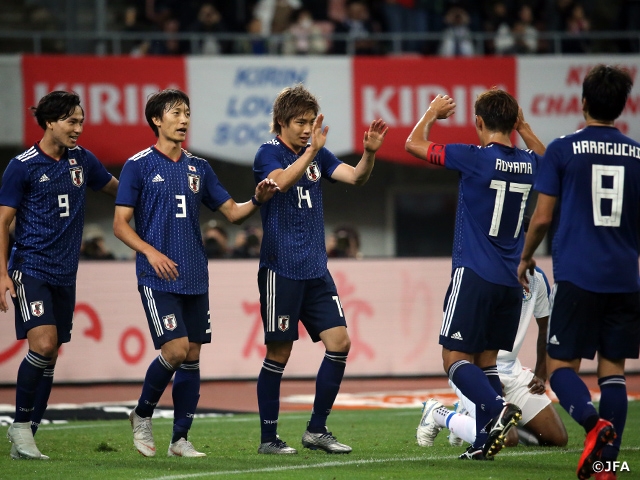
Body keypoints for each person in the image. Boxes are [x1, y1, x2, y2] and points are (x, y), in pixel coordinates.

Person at [113, 89, 278, 458]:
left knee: (192, 356)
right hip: (158, 276)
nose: (184, 119)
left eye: (187, 112)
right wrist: (150, 252)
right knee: (174, 350)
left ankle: (179, 439)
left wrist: (258, 200)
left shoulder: (199, 168)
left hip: (194, 275)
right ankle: (141, 413)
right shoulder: (137, 165)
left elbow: (233, 213)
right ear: (157, 119)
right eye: (176, 112)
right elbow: (120, 225)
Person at [405, 89, 546, 460]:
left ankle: (497, 411)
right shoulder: (531, 163)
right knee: (486, 362)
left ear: (479, 122)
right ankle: (484, 443)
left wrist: (432, 113)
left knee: (454, 360)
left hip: (474, 274)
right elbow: (556, 167)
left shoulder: (472, 157)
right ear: (514, 123)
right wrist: (526, 130)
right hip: (510, 284)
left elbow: (413, 144)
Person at [518, 64, 640, 480]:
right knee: (614, 372)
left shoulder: (563, 149)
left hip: (579, 276)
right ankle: (608, 465)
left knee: (561, 368)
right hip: (625, 278)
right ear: (622, 107)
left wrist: (525, 256)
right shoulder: (638, 155)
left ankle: (594, 426)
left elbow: (542, 217)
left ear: (583, 101)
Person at [253, 84, 387, 454]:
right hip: (281, 269)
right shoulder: (267, 153)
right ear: (281, 121)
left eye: (311, 122)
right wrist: (311, 151)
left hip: (315, 269)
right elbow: (278, 182)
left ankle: (316, 429)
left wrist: (369, 155)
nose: (306, 128)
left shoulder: (318, 153)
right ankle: (268, 439)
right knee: (279, 354)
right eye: (300, 122)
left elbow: (356, 177)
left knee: (340, 343)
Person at [0, 91, 118, 460]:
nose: (78, 129)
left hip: (66, 274)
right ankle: (19, 428)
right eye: (71, 121)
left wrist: (150, 186)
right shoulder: (22, 166)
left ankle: (28, 435)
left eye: (81, 121)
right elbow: (2, 222)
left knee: (51, 356)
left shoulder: (83, 161)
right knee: (44, 345)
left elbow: (116, 188)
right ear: (50, 122)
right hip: (29, 267)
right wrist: (2, 274)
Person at [418, 263, 568, 449]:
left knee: (557, 439)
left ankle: (470, 415)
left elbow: (546, 328)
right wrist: (484, 382)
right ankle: (438, 414)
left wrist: (541, 374)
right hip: (478, 370)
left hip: (513, 371)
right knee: (506, 439)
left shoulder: (536, 278)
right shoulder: (479, 274)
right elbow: (461, 341)